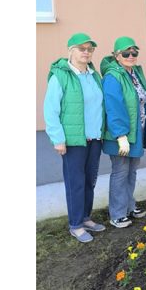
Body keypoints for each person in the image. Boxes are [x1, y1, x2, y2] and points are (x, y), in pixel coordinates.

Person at [44, 33, 105, 243]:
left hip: (94, 138)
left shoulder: (93, 75)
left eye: (90, 49)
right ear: (70, 50)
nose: (86, 52)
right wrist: (58, 138)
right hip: (73, 141)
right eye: (82, 48)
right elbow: (51, 110)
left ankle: (85, 217)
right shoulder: (60, 76)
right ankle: (76, 224)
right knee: (75, 182)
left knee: (90, 180)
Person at [100, 36, 146, 228]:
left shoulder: (134, 73)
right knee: (120, 172)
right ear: (116, 55)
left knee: (132, 171)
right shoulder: (112, 77)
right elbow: (113, 107)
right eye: (126, 53)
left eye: (134, 52)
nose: (131, 56)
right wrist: (120, 136)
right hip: (120, 135)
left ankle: (129, 205)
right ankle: (117, 213)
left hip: (136, 131)